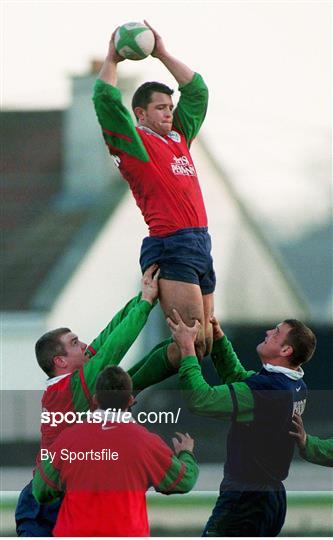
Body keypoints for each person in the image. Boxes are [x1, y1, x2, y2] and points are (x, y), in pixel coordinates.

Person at [15, 265, 179, 536]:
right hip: (43, 502)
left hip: (56, 492)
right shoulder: (70, 387)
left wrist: (141, 297)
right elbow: (114, 347)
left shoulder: (76, 379)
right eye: (75, 342)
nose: (84, 345)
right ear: (61, 361)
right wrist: (147, 304)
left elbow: (108, 335)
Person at [93, 21, 215, 361]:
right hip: (171, 243)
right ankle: (122, 385)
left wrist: (161, 53)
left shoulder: (178, 137)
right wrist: (112, 60)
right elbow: (105, 100)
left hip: (200, 242)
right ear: (140, 114)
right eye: (161, 108)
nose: (168, 113)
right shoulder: (136, 145)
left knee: (203, 344)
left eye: (170, 108)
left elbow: (198, 91)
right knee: (189, 346)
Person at [167, 309, 317, 537]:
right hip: (273, 498)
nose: (268, 332)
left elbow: (200, 399)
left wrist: (187, 349)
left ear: (286, 350)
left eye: (276, 333)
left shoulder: (268, 390)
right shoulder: (294, 385)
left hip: (246, 499)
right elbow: (238, 378)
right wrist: (218, 339)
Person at [32, 365, 199, 536]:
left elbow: (40, 490)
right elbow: (184, 481)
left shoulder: (67, 439)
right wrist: (186, 453)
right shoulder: (146, 442)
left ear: (95, 399)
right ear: (130, 401)